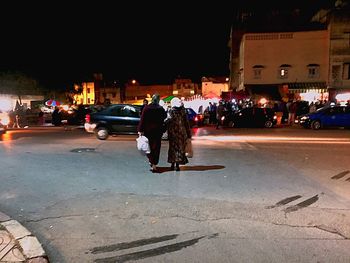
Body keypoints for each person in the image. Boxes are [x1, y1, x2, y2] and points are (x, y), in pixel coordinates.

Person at [138, 94, 167, 173]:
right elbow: (165, 117)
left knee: (149, 147)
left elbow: (142, 119)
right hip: (158, 131)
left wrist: (140, 130)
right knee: (156, 148)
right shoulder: (160, 109)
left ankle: (151, 161)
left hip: (148, 131)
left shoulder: (146, 108)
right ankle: (154, 164)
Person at [167, 97, 192, 171]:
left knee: (172, 148)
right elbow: (186, 123)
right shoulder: (183, 111)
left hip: (173, 133)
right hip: (181, 133)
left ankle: (172, 164)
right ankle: (177, 165)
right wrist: (188, 134)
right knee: (180, 149)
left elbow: (168, 121)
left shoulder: (171, 111)